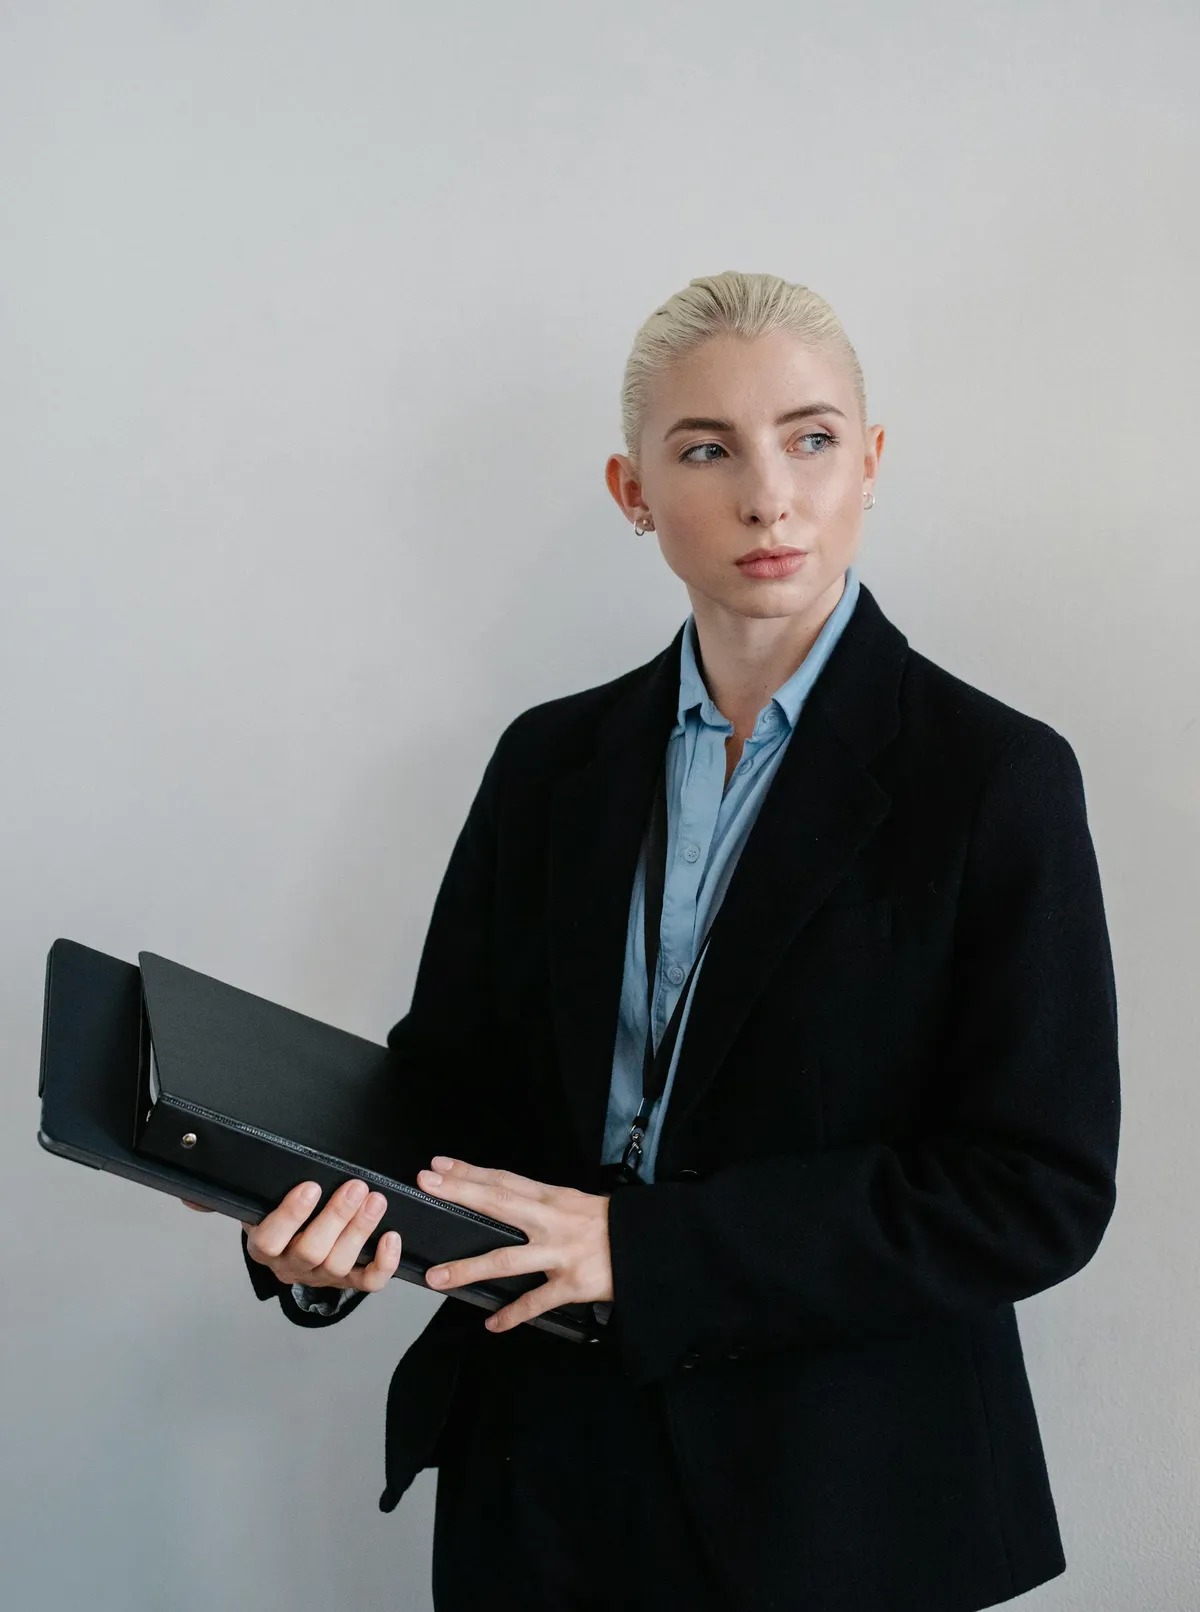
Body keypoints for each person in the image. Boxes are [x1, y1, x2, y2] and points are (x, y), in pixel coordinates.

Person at [186, 270, 1121, 1611]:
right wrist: (309, 1229)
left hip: (839, 1503)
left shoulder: (995, 779)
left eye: (809, 438)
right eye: (707, 450)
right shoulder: (547, 763)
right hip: (539, 1477)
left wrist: (651, 1253)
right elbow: (445, 1097)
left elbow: (1035, 1188)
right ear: (633, 491)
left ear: (871, 460)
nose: (769, 496)